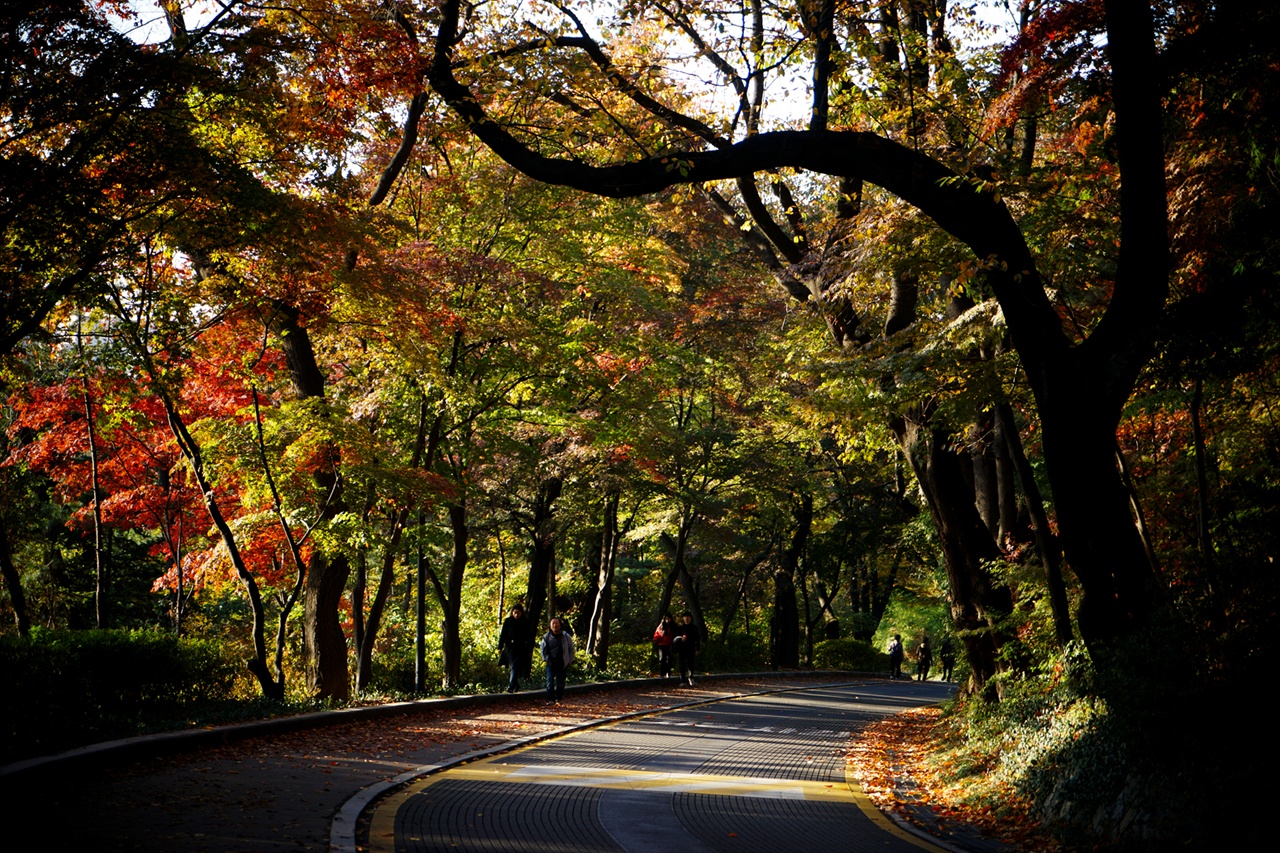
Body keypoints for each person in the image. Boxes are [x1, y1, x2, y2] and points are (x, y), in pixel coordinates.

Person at [497, 604, 532, 693]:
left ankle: (511, 686)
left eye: (518, 613)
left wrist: (529, 649)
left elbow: (529, 637)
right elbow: (503, 634)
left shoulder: (525, 622)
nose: (516, 615)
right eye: (515, 613)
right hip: (510, 648)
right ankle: (515, 684)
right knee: (513, 666)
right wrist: (500, 647)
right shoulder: (508, 621)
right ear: (512, 612)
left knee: (515, 666)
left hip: (521, 648)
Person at [539, 616, 575, 702]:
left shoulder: (566, 636)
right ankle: (550, 699)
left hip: (562, 663)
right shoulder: (546, 637)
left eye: (556, 623)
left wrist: (570, 660)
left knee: (560, 682)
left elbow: (571, 648)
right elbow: (543, 650)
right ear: (550, 626)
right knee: (549, 682)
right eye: (553, 624)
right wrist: (545, 659)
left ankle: (559, 697)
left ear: (560, 625)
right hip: (550, 663)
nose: (555, 625)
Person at [671, 611, 700, 686]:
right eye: (685, 617)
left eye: (688, 617)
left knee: (691, 664)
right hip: (682, 649)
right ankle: (683, 680)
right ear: (683, 618)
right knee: (682, 665)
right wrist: (680, 640)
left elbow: (697, 639)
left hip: (691, 648)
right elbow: (675, 639)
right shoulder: (680, 628)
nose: (687, 619)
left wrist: (697, 649)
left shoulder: (694, 628)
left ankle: (691, 678)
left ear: (690, 618)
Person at [652, 613, 675, 678]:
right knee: (662, 659)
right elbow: (657, 634)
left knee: (669, 659)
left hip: (670, 645)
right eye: (666, 619)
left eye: (669, 618)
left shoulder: (673, 626)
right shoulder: (661, 626)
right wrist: (656, 639)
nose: (667, 620)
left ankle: (668, 672)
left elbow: (676, 634)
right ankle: (662, 673)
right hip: (662, 645)